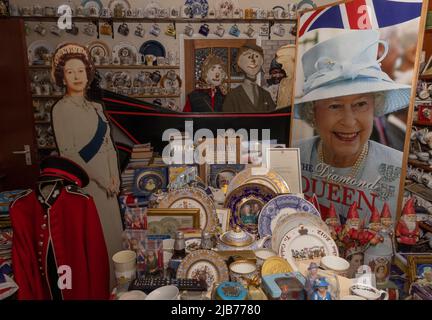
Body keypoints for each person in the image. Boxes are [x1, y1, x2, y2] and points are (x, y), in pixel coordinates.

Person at [294, 30, 411, 223]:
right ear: (312, 112)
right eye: (334, 106)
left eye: (360, 104)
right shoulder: (294, 158)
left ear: (376, 106)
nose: (349, 121)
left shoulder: (400, 168)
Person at [51, 43, 123, 289]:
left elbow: (109, 147)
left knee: (115, 236)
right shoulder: (60, 110)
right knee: (96, 239)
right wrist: (101, 180)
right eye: (70, 72)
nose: (76, 76)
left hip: (110, 185)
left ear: (88, 73)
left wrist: (116, 178)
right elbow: (69, 154)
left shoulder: (96, 107)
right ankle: (101, 288)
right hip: (86, 185)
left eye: (80, 71)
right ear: (62, 77)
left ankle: (118, 288)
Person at [222, 44, 276, 113]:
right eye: (249, 57)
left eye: (256, 56)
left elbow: (274, 118)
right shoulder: (232, 96)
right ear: (239, 62)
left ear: (261, 61)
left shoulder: (266, 95)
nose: (253, 60)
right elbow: (226, 121)